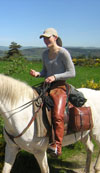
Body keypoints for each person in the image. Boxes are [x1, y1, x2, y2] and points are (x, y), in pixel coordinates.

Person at [30, 28, 76, 156]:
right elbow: (45, 71)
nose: (45, 40)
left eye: (47, 37)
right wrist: (38, 74)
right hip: (47, 86)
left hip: (60, 87)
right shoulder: (44, 54)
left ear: (55, 37)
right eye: (44, 38)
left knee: (57, 115)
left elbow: (72, 72)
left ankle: (57, 146)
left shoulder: (63, 53)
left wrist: (55, 77)